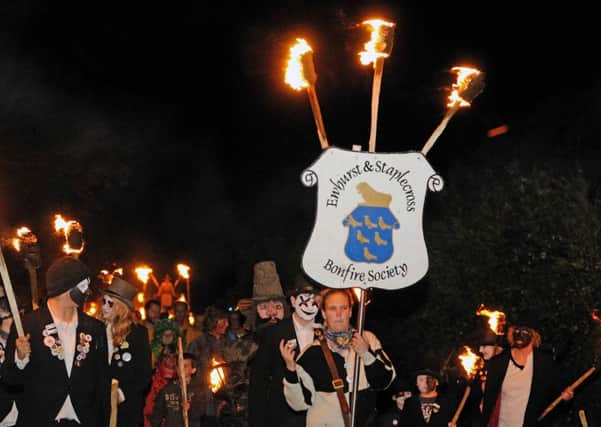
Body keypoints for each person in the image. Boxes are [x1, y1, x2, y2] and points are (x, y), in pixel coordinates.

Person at [2, 256, 110, 426]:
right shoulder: (27, 325)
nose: (88, 292)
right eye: (83, 286)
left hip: (84, 421)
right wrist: (20, 359)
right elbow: (10, 381)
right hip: (40, 421)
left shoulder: (95, 328)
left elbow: (102, 384)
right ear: (65, 288)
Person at [280, 288, 395, 427]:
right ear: (323, 313)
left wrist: (366, 354)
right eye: (333, 309)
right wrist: (291, 370)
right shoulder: (311, 353)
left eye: (344, 308)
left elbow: (385, 381)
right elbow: (300, 405)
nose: (339, 314)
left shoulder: (367, 339)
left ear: (350, 311)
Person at [249, 274, 321, 427]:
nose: (310, 305)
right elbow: (259, 381)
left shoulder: (326, 332)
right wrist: (257, 421)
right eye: (304, 299)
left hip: (319, 414)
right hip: (283, 416)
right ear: (293, 301)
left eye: (314, 300)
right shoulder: (274, 332)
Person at [480, 315, 573, 427]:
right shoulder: (499, 363)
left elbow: (557, 394)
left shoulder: (544, 363)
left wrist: (566, 397)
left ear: (533, 335)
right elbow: (488, 404)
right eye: (516, 331)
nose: (519, 335)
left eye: (524, 332)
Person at [100, 277, 152, 427]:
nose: (104, 307)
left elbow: (144, 374)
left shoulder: (137, 333)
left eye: (110, 303)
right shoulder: (96, 330)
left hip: (126, 408)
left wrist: (121, 394)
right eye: (103, 301)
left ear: (121, 307)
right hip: (99, 406)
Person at [150, 352, 204, 427]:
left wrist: (190, 409)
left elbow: (202, 414)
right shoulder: (167, 389)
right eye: (179, 365)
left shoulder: (199, 390)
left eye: (185, 366)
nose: (181, 368)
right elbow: (156, 416)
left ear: (193, 370)